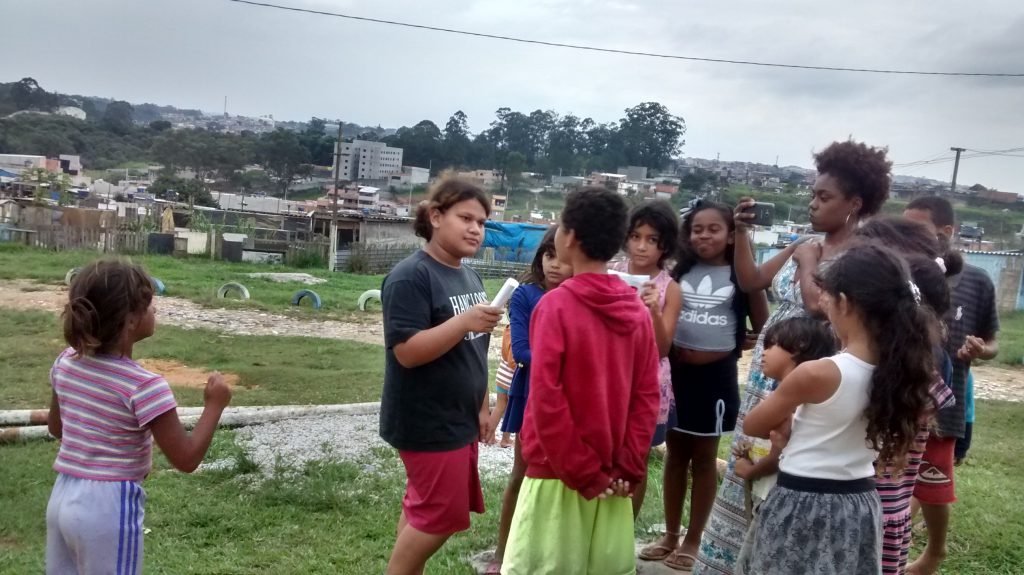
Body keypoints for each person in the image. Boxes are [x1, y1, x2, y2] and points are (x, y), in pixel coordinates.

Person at [695, 140, 893, 575]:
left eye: (824, 197)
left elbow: (819, 306)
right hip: (771, 373)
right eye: (812, 194)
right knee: (746, 462)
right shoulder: (808, 241)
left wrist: (807, 263)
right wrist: (743, 233)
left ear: (854, 203)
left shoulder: (859, 256)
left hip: (810, 376)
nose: (812, 204)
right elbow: (752, 280)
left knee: (777, 463)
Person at [738, 243, 939, 575]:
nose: (823, 304)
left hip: (802, 500)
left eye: (826, 297)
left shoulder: (817, 373)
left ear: (844, 302)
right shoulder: (899, 370)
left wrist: (786, 418)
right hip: (859, 503)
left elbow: (755, 424)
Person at [501, 187, 660, 575]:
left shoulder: (555, 306)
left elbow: (546, 399)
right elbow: (647, 397)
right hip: (613, 480)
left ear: (568, 237)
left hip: (559, 475)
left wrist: (585, 473)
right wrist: (627, 467)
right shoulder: (637, 313)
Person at [46, 261, 232, 575]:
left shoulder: (67, 362)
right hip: (108, 509)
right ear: (130, 320)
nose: (154, 309)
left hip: (62, 495)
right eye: (148, 304)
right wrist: (215, 405)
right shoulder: (144, 386)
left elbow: (56, 426)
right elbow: (186, 459)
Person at [380, 177, 501, 575]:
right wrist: (464, 320)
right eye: (465, 217)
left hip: (460, 417)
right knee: (441, 515)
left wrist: (482, 406)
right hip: (426, 420)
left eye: (482, 222)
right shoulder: (411, 277)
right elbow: (408, 352)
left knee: (423, 510)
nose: (475, 229)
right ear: (435, 216)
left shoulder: (470, 277)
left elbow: (474, 350)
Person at [639, 201, 768, 571]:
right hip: (675, 374)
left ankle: (695, 540)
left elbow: (763, 325)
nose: (704, 235)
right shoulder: (680, 270)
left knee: (704, 459)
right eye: (697, 229)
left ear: (730, 235)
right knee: (675, 454)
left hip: (716, 380)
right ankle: (670, 535)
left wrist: (740, 339)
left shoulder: (741, 277)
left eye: (714, 229)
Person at [902, 195, 999, 575]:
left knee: (934, 476)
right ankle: (898, 530)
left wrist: (981, 349)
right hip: (900, 390)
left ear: (946, 232)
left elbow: (992, 342)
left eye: (918, 229)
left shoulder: (977, 280)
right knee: (898, 469)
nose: (910, 237)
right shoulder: (901, 272)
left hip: (947, 396)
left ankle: (935, 553)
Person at [490, 225, 573, 574]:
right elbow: (521, 350)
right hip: (532, 393)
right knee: (523, 472)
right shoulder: (526, 295)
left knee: (564, 477)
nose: (554, 264)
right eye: (548, 254)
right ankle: (502, 552)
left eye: (563, 257)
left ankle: (551, 552)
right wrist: (574, 364)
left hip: (572, 398)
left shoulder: (578, 297)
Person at [732, 317, 838, 565]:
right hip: (768, 495)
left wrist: (750, 470)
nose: (763, 353)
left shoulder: (794, 403)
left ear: (799, 346)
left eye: (771, 346)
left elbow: (781, 456)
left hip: (779, 497)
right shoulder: (782, 395)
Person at [610, 200, 683, 519]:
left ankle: (623, 536)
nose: (641, 246)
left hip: (646, 387)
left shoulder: (670, 289)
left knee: (634, 464)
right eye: (636, 236)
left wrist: (653, 309)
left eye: (652, 240)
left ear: (665, 245)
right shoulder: (610, 274)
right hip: (607, 382)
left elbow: (663, 348)